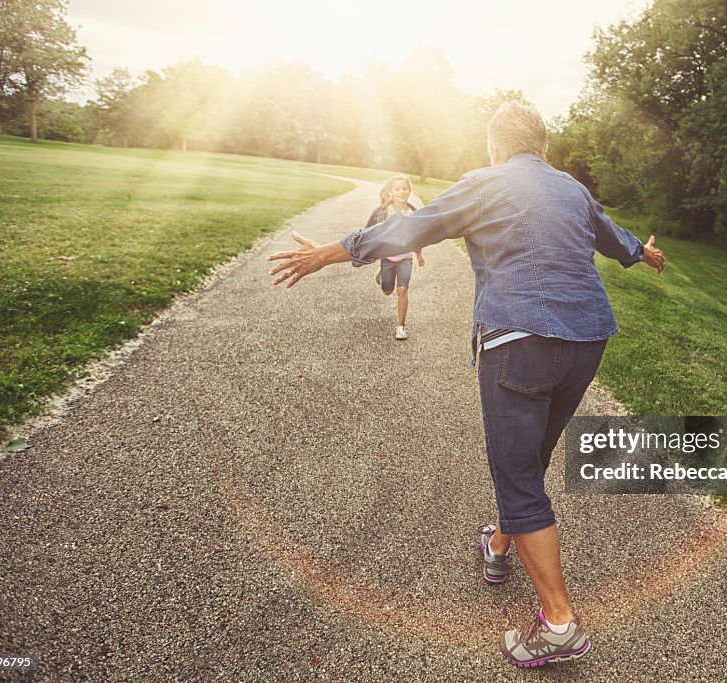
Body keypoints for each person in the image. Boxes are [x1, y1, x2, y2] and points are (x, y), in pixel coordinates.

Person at [267, 102, 665, 667]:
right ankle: (499, 543)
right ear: (543, 147)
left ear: (495, 146)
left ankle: (559, 622)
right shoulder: (572, 189)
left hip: (519, 342)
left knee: (518, 475)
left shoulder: (485, 182)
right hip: (587, 341)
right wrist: (643, 253)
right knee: (529, 461)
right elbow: (614, 236)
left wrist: (331, 253)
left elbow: (408, 227)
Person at [366, 175, 426, 340]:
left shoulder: (413, 213)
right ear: (391, 192)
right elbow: (372, 231)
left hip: (406, 258)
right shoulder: (385, 211)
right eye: (397, 189)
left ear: (409, 190)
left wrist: (419, 254)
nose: (401, 192)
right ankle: (382, 275)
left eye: (404, 188)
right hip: (387, 258)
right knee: (387, 290)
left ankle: (400, 327)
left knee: (402, 289)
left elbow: (417, 236)